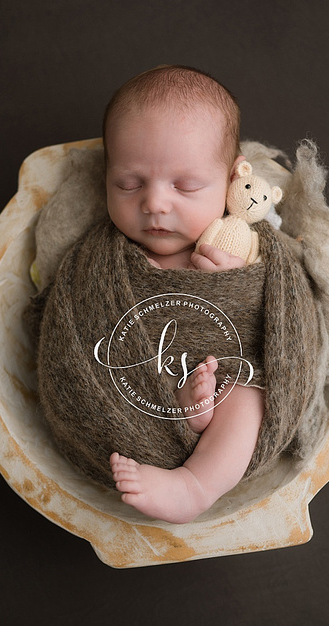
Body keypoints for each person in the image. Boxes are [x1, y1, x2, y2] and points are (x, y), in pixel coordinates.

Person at [99, 65, 265, 524]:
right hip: (137, 380)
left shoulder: (233, 244)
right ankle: (189, 409)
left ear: (232, 180)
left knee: (249, 396)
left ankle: (194, 486)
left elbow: (270, 306)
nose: (154, 203)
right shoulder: (104, 255)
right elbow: (79, 308)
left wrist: (235, 277)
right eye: (128, 184)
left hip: (223, 375)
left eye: (186, 186)